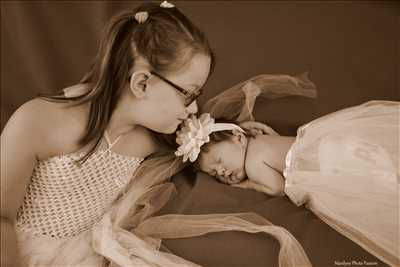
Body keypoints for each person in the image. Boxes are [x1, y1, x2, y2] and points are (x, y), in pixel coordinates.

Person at [0, 1, 215, 266]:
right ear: (142, 84)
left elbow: (212, 148)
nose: (194, 107)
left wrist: (245, 142)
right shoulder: (39, 122)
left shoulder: (156, 137)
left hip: (89, 251)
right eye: (189, 94)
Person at [187, 100, 399, 266]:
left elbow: (277, 187)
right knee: (379, 168)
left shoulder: (253, 164)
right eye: (215, 174)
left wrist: (246, 185)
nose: (222, 172)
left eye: (219, 162)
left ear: (238, 138)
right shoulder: (261, 138)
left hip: (327, 168)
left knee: (372, 191)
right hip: (333, 146)